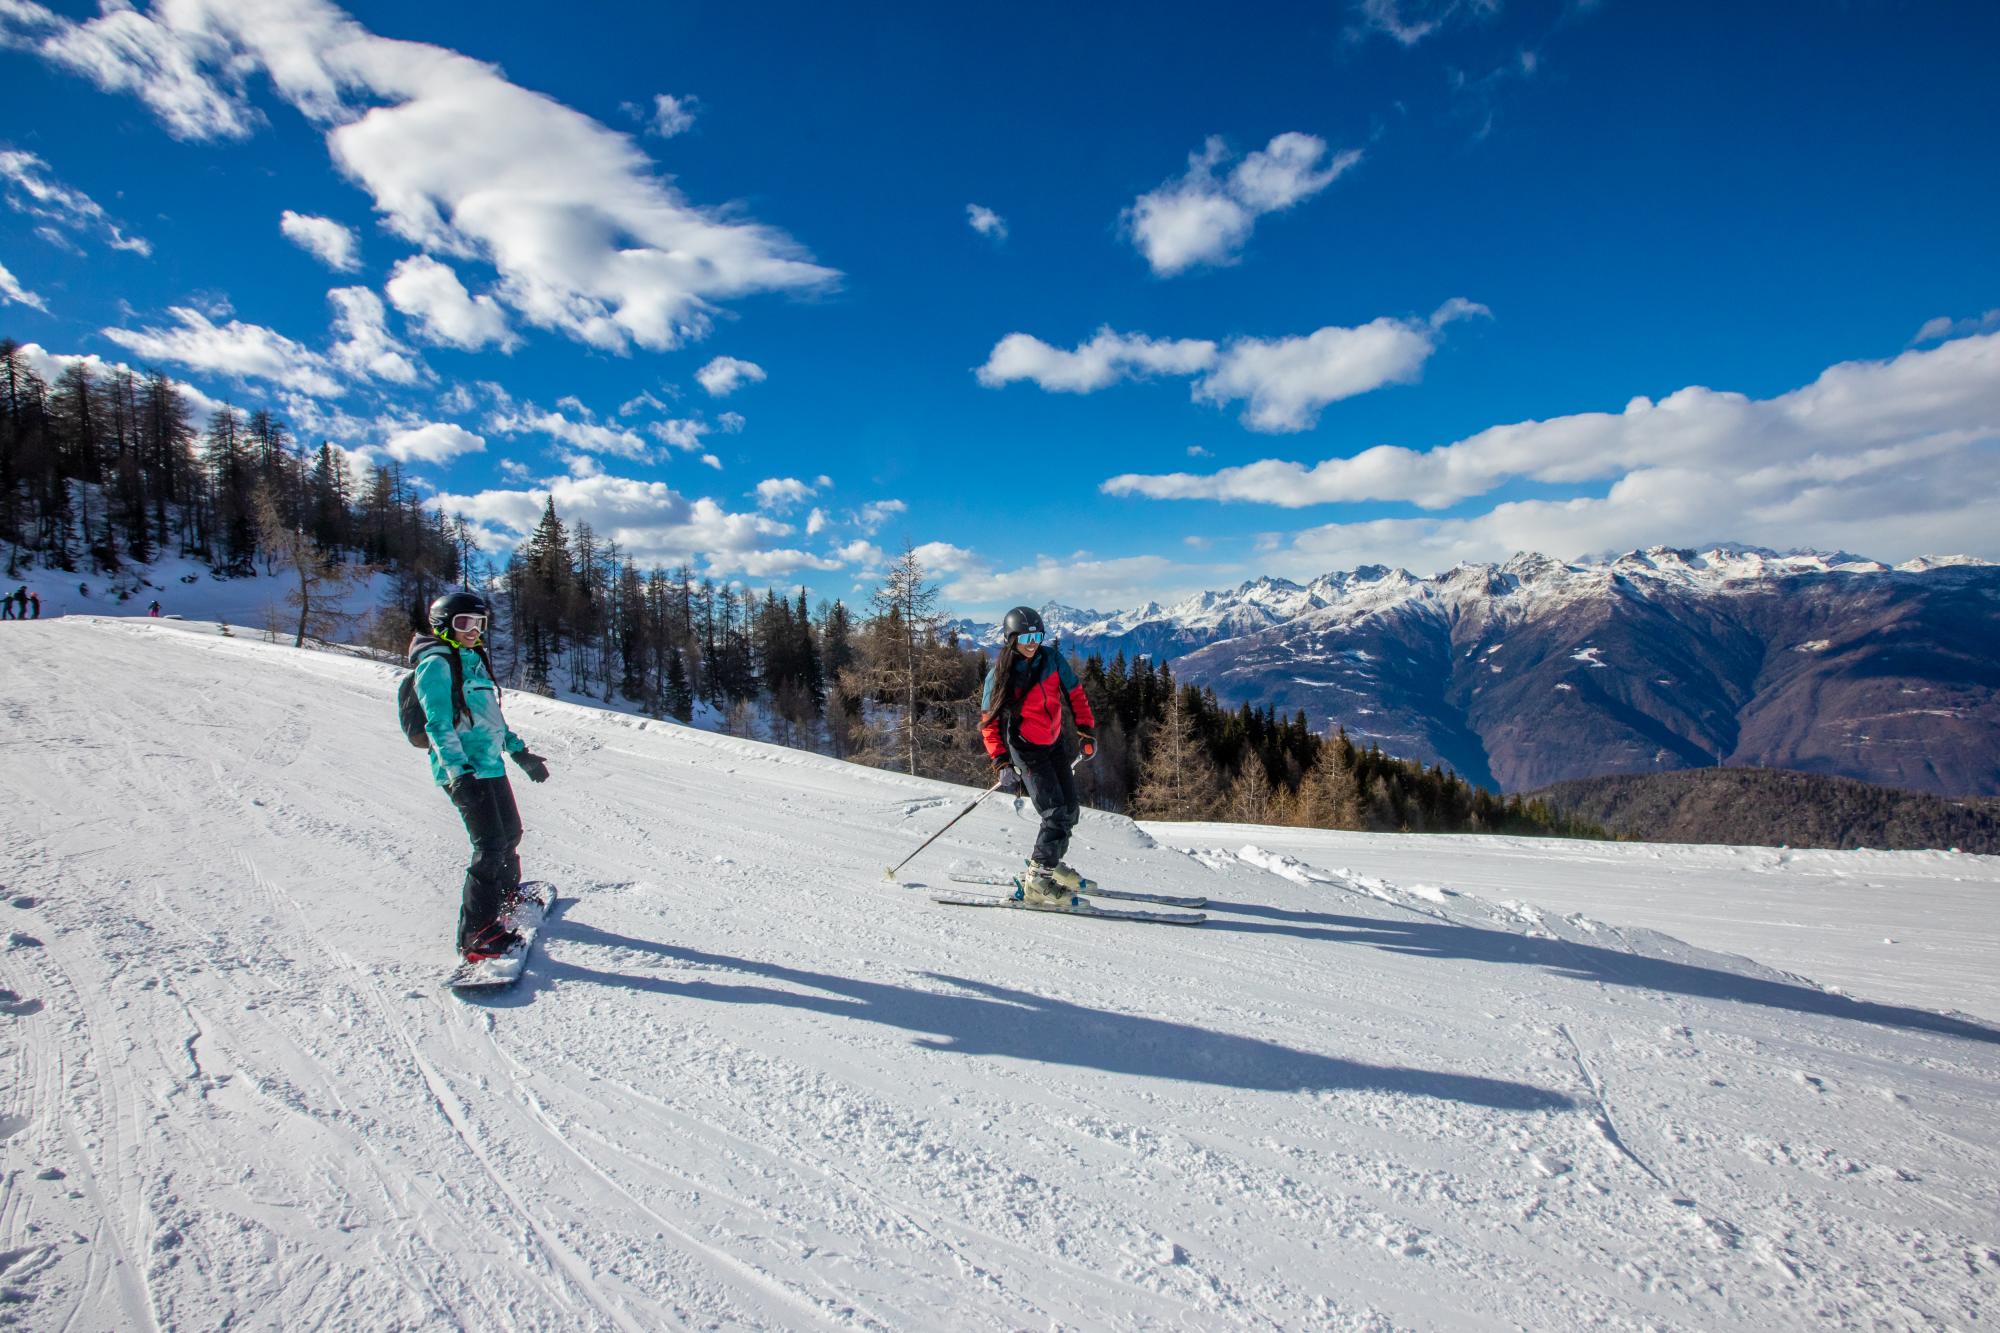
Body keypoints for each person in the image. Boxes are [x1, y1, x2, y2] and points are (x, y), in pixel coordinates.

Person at [411, 590, 552, 961]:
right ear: (443, 625)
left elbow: (492, 719)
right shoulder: (437, 664)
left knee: (510, 834)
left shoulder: (472, 660)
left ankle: (506, 897)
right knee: (489, 846)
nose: (473, 630)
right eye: (463, 623)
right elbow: (438, 723)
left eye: (478, 623)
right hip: (465, 771)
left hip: (491, 765)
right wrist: (459, 776)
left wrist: (520, 752)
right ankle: (477, 933)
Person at [979, 606, 1098, 906]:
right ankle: (1037, 881)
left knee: (1070, 810)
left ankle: (1051, 861)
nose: (1032, 643)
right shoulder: (1000, 675)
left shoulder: (1051, 660)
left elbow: (1076, 694)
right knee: (1054, 812)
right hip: (1026, 748)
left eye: (1037, 635)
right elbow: (989, 723)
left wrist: (1085, 731)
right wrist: (1001, 762)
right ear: (1011, 639)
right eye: (1025, 637)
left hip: (1053, 742)